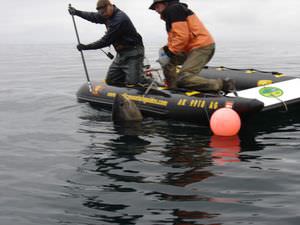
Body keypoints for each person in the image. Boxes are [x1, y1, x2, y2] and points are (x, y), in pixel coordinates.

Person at [149, 0, 235, 92]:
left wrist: (170, 52)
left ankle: (223, 84)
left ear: (165, 3)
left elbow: (182, 36)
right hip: (190, 48)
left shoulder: (174, 9)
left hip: (202, 46)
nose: (155, 10)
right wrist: (166, 50)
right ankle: (173, 89)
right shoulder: (171, 14)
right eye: (154, 8)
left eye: (157, 6)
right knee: (167, 62)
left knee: (184, 78)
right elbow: (176, 37)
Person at [69, 0, 147, 86]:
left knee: (134, 84)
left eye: (104, 12)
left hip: (134, 53)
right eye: (101, 13)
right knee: (111, 81)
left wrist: (86, 47)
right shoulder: (106, 15)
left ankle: (143, 81)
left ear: (110, 6)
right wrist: (77, 12)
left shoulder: (119, 19)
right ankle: (131, 79)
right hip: (121, 55)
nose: (103, 14)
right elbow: (93, 16)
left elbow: (105, 41)